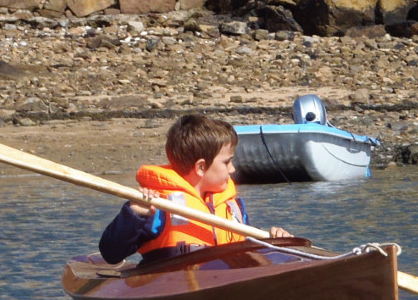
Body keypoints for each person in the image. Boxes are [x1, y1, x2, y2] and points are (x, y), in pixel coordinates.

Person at [99, 112, 290, 264]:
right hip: (174, 285)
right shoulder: (158, 207)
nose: (233, 169)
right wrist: (134, 214)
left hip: (224, 280)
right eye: (227, 162)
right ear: (200, 167)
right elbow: (111, 254)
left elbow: (249, 254)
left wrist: (275, 242)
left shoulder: (233, 208)